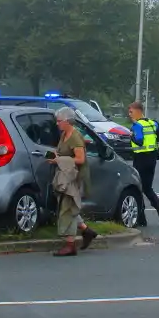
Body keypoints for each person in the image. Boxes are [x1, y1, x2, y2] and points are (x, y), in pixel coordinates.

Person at [50, 106, 98, 257]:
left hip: (74, 177)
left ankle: (70, 245)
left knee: (68, 208)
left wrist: (59, 160)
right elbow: (65, 153)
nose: (57, 124)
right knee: (69, 206)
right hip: (65, 175)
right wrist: (56, 155)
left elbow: (80, 159)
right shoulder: (64, 134)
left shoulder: (75, 137)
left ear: (68, 121)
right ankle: (86, 231)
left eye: (59, 121)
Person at [127, 101, 159, 226]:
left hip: (140, 159)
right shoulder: (153, 123)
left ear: (138, 111)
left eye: (131, 111)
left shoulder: (137, 126)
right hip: (152, 159)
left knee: (138, 188)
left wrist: (131, 135)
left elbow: (139, 141)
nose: (129, 114)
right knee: (148, 188)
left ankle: (141, 218)